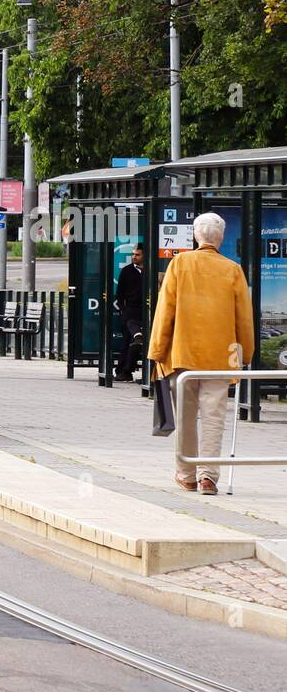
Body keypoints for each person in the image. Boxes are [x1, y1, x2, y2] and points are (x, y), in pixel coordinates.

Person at [148, 211, 254, 495]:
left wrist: (157, 351)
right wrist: (246, 355)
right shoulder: (233, 269)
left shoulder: (179, 263)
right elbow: (243, 318)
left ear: (196, 236)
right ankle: (209, 476)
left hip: (182, 354)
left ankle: (186, 474)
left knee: (185, 416)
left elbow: (165, 310)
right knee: (214, 417)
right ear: (220, 238)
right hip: (220, 356)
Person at [115, 244, 145, 381]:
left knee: (137, 343)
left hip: (146, 309)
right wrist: (123, 310)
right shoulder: (127, 271)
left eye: (137, 254)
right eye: (133, 254)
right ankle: (122, 371)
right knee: (127, 341)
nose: (134, 257)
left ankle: (130, 370)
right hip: (131, 310)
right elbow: (119, 293)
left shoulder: (151, 270)